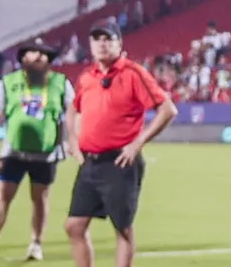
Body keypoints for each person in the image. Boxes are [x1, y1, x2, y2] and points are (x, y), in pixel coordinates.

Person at [65, 24, 178, 267]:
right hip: (90, 162)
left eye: (108, 39)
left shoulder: (133, 73)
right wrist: (73, 141)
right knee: (74, 225)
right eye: (97, 39)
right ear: (91, 45)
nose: (102, 44)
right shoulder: (87, 77)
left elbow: (167, 109)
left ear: (119, 44)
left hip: (120, 161)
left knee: (122, 228)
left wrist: (137, 144)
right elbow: (73, 109)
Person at [0, 39, 72, 261]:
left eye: (42, 54)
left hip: (47, 154)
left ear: (49, 60)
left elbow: (71, 114)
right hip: (13, 152)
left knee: (40, 199)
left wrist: (72, 142)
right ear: (22, 58)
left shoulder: (61, 83)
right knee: (3, 196)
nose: (37, 57)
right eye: (31, 53)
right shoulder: (7, 83)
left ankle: (36, 243)